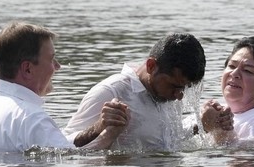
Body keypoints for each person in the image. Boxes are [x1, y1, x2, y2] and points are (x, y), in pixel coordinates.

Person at [0, 22, 130, 153]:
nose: (58, 66)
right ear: (28, 69)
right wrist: (110, 134)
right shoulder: (31, 118)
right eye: (52, 59)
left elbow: (57, 144)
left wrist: (98, 127)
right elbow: (73, 162)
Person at [62, 33, 206, 151]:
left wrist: (201, 123)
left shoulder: (168, 94)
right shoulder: (111, 92)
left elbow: (168, 141)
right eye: (174, 86)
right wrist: (98, 127)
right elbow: (59, 146)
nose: (179, 96)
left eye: (185, 88)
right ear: (151, 66)